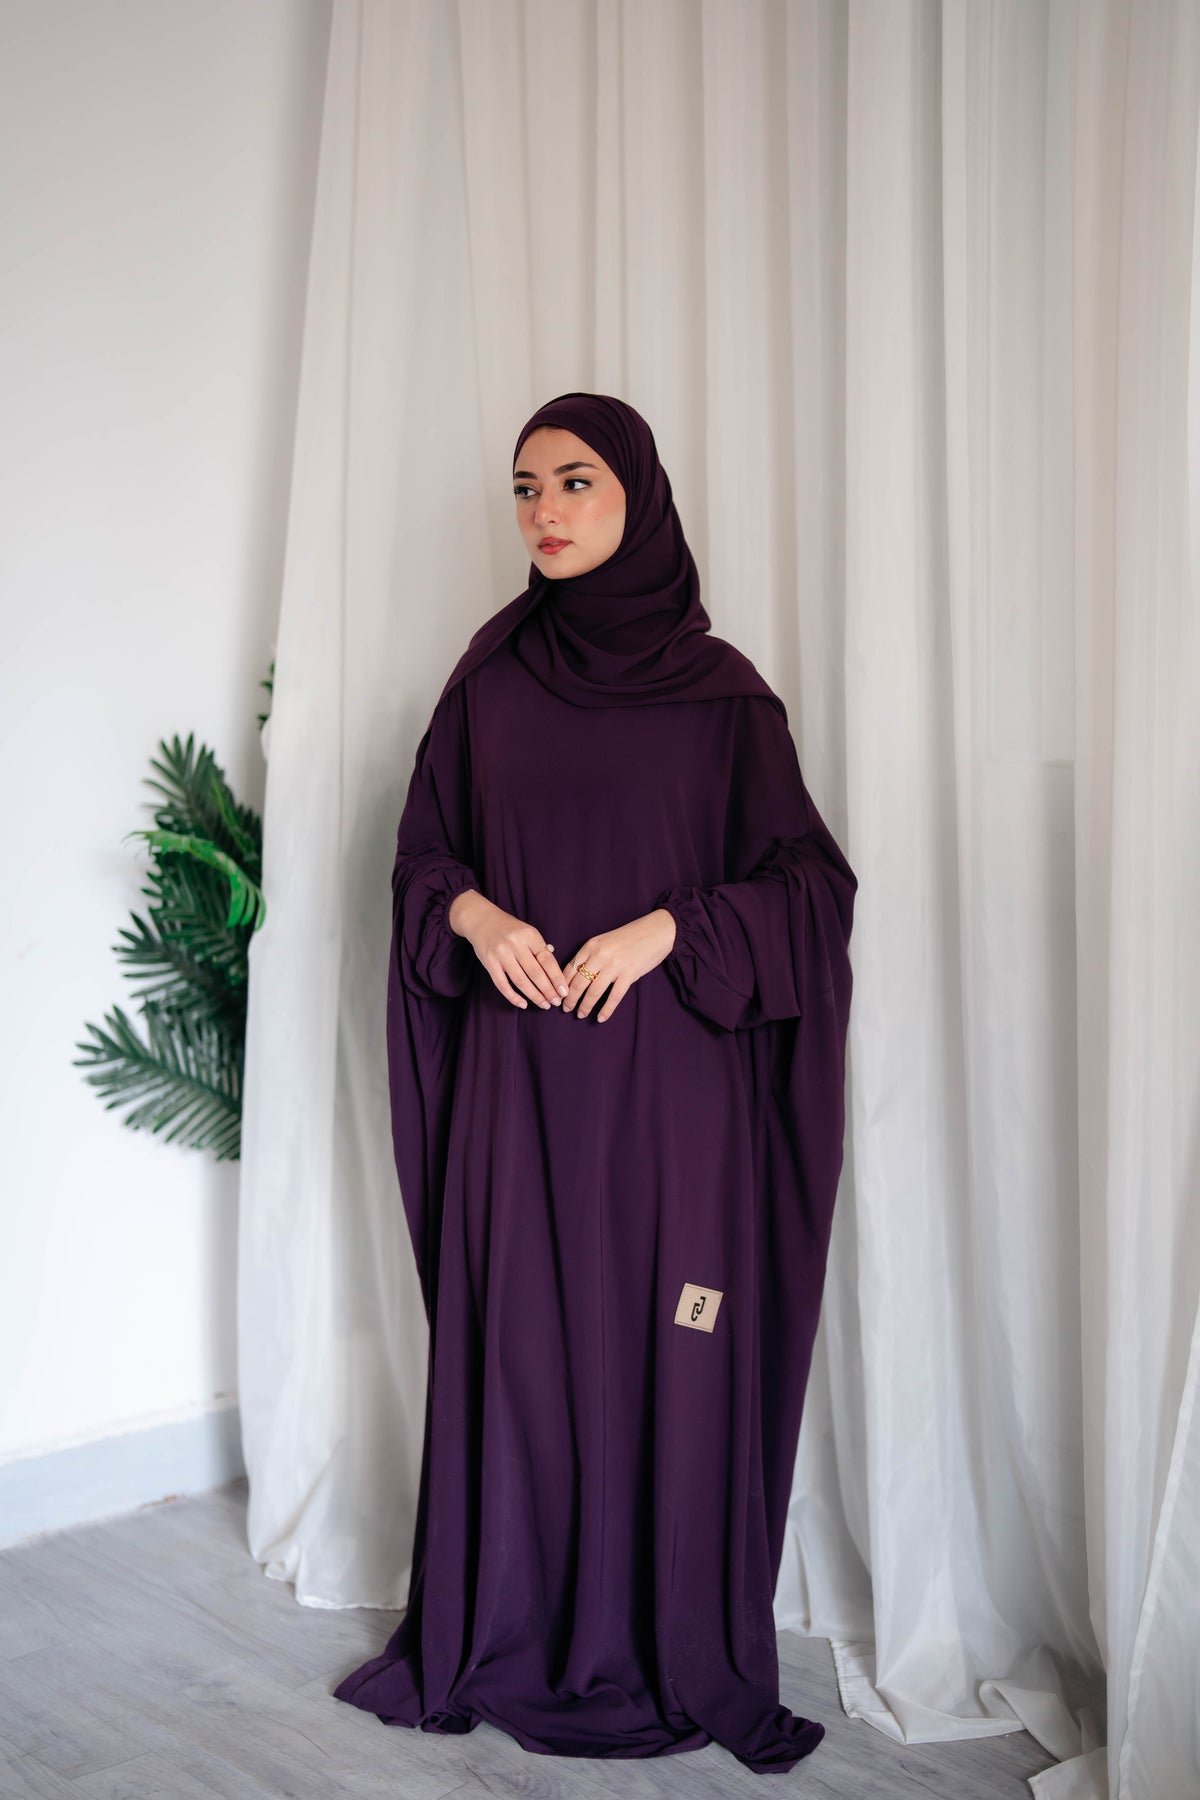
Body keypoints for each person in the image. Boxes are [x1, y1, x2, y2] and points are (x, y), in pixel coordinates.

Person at [332, 391, 857, 1774]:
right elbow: (421, 861)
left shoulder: (723, 697)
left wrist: (671, 929)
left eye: (574, 481)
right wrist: (475, 916)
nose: (544, 511)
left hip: (675, 1104)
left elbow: (813, 889)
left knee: (670, 1361)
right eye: (524, 487)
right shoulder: (488, 686)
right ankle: (510, 1626)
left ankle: (669, 1638)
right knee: (523, 1362)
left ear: (639, 496)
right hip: (522, 1097)